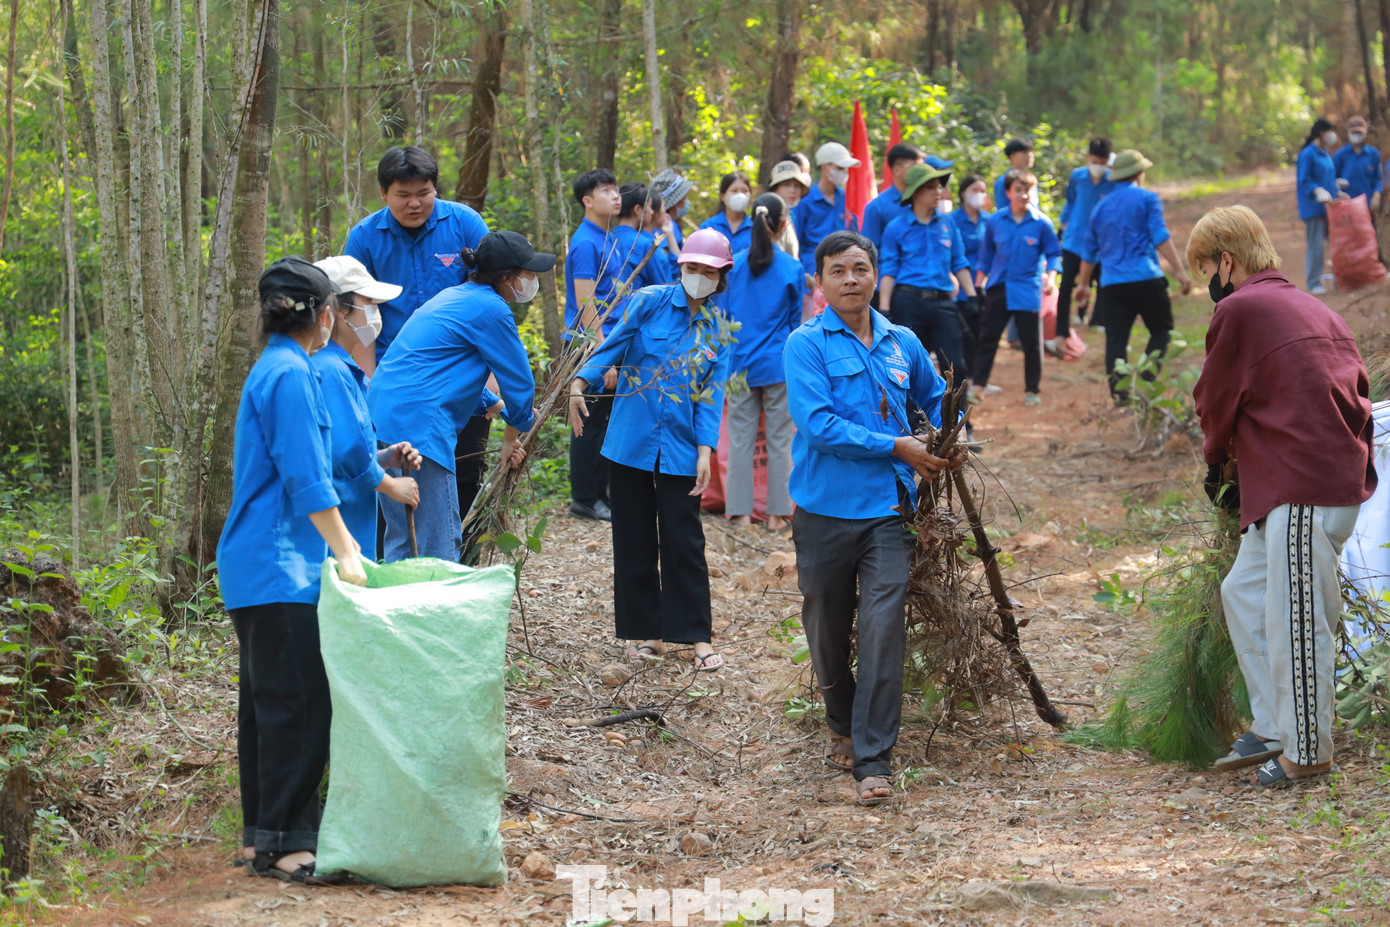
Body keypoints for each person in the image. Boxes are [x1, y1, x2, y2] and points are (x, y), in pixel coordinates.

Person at [1186, 205, 1377, 787]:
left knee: (1297, 617)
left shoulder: (1243, 307)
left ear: (1228, 259)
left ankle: (1309, 751)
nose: (1209, 286)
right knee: (1243, 592)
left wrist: (1216, 461)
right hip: (1321, 480)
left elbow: (1215, 397)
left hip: (1302, 486)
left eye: (1208, 270)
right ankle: (1274, 725)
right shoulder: (1313, 306)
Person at [784, 230, 962, 806]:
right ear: (821, 282)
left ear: (875, 275)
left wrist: (950, 433)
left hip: (891, 512)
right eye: (838, 271)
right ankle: (840, 719)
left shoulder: (901, 340)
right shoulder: (805, 345)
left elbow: (934, 399)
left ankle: (873, 758)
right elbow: (818, 425)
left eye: (860, 268)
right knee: (826, 627)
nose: (851, 279)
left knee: (884, 629)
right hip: (823, 511)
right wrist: (898, 446)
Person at [216, 257, 370, 884]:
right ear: (327, 316)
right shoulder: (293, 374)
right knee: (301, 705)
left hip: (259, 565)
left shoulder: (273, 366)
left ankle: (262, 838)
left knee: (268, 705)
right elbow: (305, 474)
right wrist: (347, 549)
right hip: (281, 567)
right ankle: (287, 844)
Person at [567, 228, 735, 672]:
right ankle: (647, 635)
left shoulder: (719, 329)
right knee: (634, 538)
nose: (698, 277)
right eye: (692, 268)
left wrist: (705, 450)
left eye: (708, 271)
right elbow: (612, 346)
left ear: (722, 276)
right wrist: (579, 382)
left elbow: (711, 394)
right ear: (681, 268)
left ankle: (696, 637)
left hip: (681, 448)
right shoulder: (649, 302)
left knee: (685, 540)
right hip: (630, 444)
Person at [343, 146, 499, 556]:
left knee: (464, 471)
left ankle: (460, 567)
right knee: (392, 478)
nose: (415, 203)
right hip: (396, 383)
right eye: (403, 194)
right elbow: (358, 317)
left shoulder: (464, 223)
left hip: (462, 379)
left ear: (435, 189)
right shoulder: (364, 237)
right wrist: (369, 385)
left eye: (424, 193)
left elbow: (490, 301)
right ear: (383, 193)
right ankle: (397, 573)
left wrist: (493, 380)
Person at [368, 231, 545, 562]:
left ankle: (400, 613)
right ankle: (432, 614)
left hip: (385, 418)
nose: (533, 280)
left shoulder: (456, 296)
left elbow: (442, 368)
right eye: (529, 273)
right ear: (508, 278)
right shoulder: (492, 309)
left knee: (405, 540)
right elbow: (520, 383)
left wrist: (492, 404)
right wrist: (511, 436)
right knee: (437, 543)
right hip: (419, 427)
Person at [311, 255, 422, 561]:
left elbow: (346, 448)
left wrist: (386, 457)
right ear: (337, 309)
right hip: (334, 535)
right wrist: (391, 486)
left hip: (351, 525)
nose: (374, 313)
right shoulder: (330, 370)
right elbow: (344, 455)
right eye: (368, 303)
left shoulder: (347, 369)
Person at [1073, 149, 1194, 401]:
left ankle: (1121, 398)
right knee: (1162, 330)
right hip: (1146, 280)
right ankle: (1147, 377)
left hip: (1113, 285)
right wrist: (1180, 272)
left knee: (1116, 340)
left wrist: (1083, 285)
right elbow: (1160, 237)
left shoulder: (1100, 207)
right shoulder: (1148, 199)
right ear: (1139, 173)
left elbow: (1089, 252)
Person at [723, 193, 804, 532]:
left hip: (738, 363)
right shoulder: (793, 268)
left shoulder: (734, 265)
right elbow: (794, 324)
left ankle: (740, 515)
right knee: (780, 440)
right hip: (777, 364)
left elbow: (724, 316)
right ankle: (777, 515)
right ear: (784, 225)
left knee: (740, 438)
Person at [879, 162, 978, 385]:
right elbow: (889, 269)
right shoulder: (896, 227)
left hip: (943, 303)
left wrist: (972, 296)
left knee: (955, 365)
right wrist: (884, 307)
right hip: (908, 302)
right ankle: (916, 421)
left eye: (939, 186)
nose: (939, 192)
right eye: (932, 187)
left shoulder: (947, 223)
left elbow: (959, 262)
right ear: (916, 192)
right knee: (910, 366)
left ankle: (956, 419)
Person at [971, 170, 1061, 407]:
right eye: (1018, 190)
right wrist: (978, 284)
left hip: (1027, 289)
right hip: (999, 287)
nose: (1023, 195)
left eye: (1028, 190)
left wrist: (1051, 279)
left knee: (1031, 343)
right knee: (988, 338)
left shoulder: (1042, 223)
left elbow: (1053, 255)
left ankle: (1032, 390)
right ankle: (978, 386)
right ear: (1009, 192)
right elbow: (985, 256)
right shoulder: (995, 221)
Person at [565, 168, 624, 522]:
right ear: (587, 201)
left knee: (604, 422)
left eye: (616, 190)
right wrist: (604, 359)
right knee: (588, 422)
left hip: (610, 340)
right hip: (591, 345)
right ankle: (584, 498)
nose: (615, 196)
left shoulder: (609, 236)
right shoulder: (586, 242)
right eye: (606, 190)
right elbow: (587, 305)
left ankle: (600, 494)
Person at [1056, 137, 1115, 336]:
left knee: (1101, 282)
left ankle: (1098, 319)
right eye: (1094, 161)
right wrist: (1062, 227)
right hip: (1075, 239)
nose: (1098, 166)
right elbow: (1070, 201)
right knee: (1066, 284)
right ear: (1088, 157)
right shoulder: (1077, 177)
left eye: (1102, 162)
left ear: (1108, 160)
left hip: (1102, 242)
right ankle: (1061, 327)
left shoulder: (1113, 180)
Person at [793, 141, 861, 278]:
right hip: (813, 273)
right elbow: (795, 243)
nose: (844, 172)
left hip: (844, 274)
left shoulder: (845, 198)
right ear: (825, 167)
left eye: (846, 168)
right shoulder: (804, 201)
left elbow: (855, 236)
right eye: (840, 167)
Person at [1296, 117, 1346, 295]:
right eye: (1330, 131)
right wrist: (1317, 190)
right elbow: (1304, 179)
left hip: (1331, 207)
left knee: (1337, 244)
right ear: (1321, 132)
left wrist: (1336, 188)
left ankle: (1340, 279)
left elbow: (1328, 177)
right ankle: (1313, 282)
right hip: (1313, 208)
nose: (1333, 135)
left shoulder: (1325, 153)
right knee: (1316, 246)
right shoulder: (1308, 154)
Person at [951, 174, 991, 388]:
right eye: (974, 190)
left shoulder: (989, 221)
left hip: (984, 286)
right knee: (963, 337)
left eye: (982, 191)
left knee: (982, 335)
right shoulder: (953, 220)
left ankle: (977, 380)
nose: (979, 195)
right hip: (960, 290)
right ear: (962, 193)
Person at [609, 183, 674, 313]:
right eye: (649, 207)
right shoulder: (644, 244)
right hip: (640, 315)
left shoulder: (611, 238)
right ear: (638, 210)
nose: (651, 212)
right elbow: (662, 287)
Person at [860, 143, 924, 252]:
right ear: (897, 170)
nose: (921, 172)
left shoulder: (925, 201)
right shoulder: (877, 207)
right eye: (915, 166)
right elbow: (869, 253)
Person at [1333, 116, 1382, 213]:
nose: (1356, 135)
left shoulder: (1373, 154)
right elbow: (1332, 179)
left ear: (1365, 132)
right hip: (1346, 207)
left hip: (1367, 207)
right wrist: (1338, 192)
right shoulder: (1340, 155)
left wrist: (1377, 196)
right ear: (1348, 133)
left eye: (1359, 132)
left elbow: (1378, 178)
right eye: (1354, 132)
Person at [699, 170, 754, 255]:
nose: (740, 195)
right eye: (734, 191)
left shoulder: (756, 227)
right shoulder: (709, 227)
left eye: (745, 191)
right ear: (723, 196)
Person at [768, 158, 813, 260]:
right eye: (786, 185)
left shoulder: (789, 217)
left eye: (797, 186)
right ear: (775, 188)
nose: (792, 190)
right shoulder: (769, 219)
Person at [650, 167, 694, 270]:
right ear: (676, 202)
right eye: (684, 199)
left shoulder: (671, 225)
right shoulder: (666, 226)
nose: (686, 201)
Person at [994, 138, 1035, 210]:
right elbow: (1002, 210)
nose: (1030, 156)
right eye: (1024, 152)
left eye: (1031, 152)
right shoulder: (1004, 181)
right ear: (1012, 156)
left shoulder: (1030, 180)